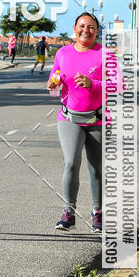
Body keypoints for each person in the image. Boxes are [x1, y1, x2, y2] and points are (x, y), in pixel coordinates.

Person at [46, 12, 117, 233]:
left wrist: (93, 84)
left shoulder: (106, 54)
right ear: (74, 29)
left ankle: (98, 212)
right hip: (69, 117)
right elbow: (56, 82)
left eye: (91, 27)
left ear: (97, 31)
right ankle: (69, 212)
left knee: (96, 168)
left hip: (98, 118)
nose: (86, 30)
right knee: (71, 163)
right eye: (81, 26)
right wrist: (53, 85)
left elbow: (118, 86)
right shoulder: (63, 53)